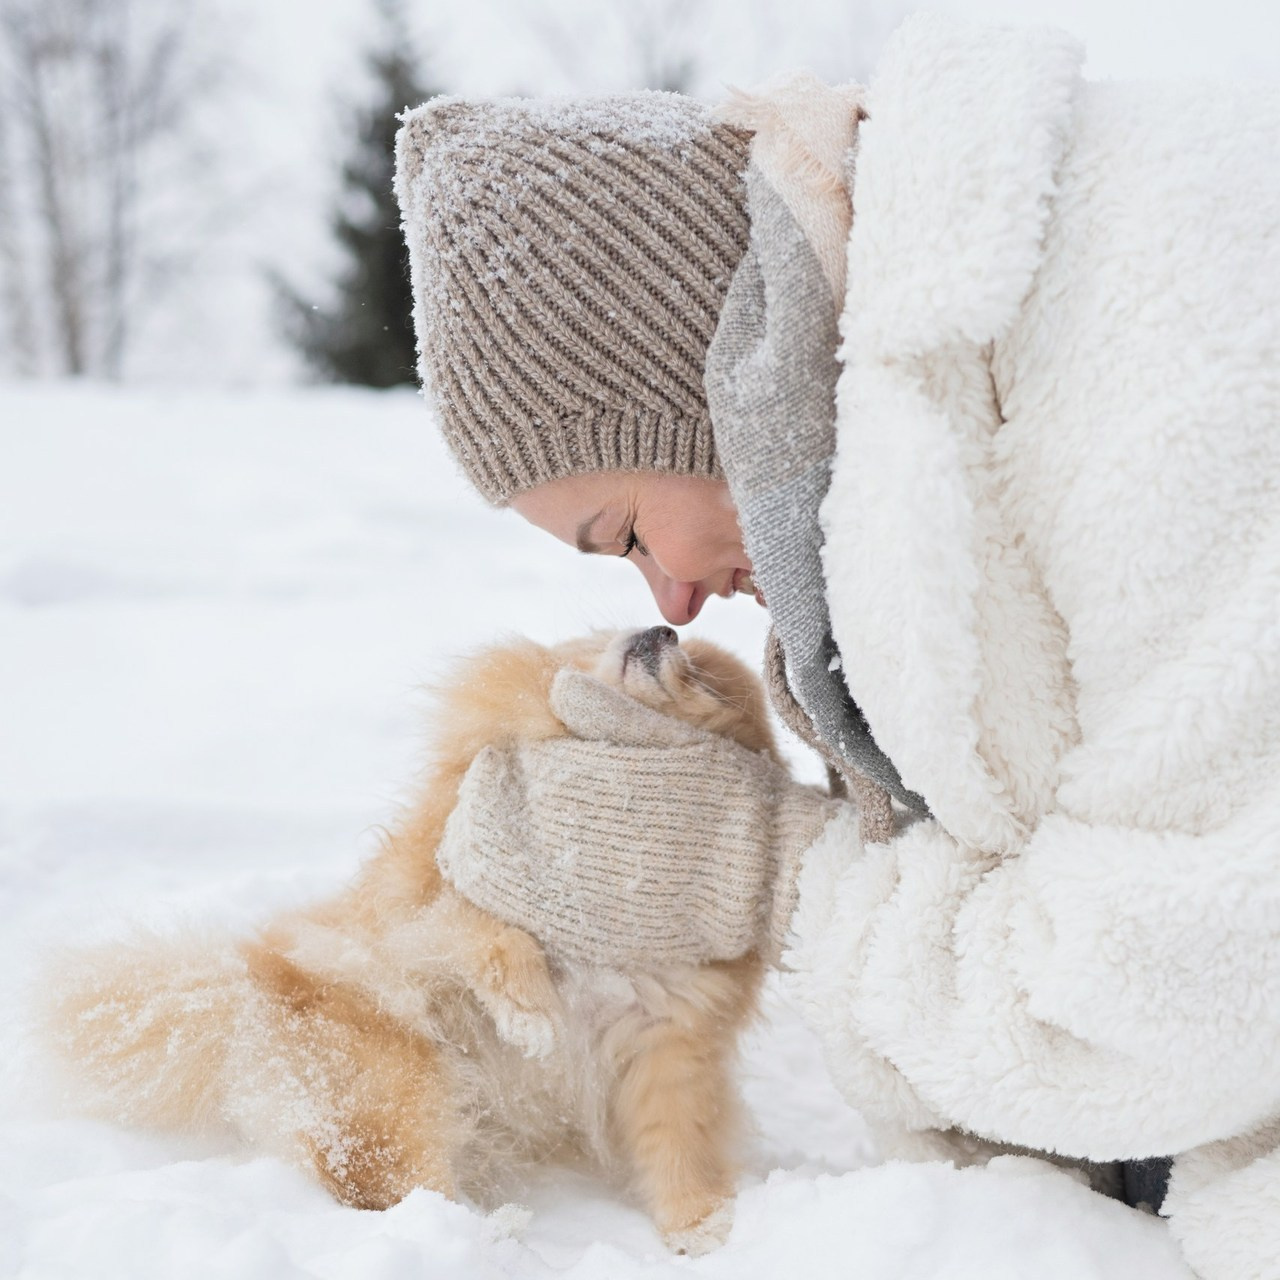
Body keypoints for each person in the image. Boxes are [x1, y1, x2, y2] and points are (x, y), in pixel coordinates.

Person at [394, 14, 1280, 1278]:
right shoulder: (934, 436)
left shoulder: (1165, 321)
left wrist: (777, 870)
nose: (676, 599)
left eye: (627, 528)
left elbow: (1187, 976)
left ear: (696, 373)